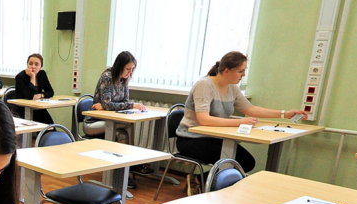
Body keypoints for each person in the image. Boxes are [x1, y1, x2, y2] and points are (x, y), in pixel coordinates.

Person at [176, 51, 308, 173]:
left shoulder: (232, 88)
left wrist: (285, 114)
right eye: (240, 71)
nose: (243, 75)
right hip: (191, 139)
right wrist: (239, 122)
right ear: (226, 71)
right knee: (240, 162)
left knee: (247, 162)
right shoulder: (204, 85)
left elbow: (250, 109)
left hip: (214, 138)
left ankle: (201, 181)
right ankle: (208, 184)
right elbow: (204, 120)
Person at [86, 51, 146, 138]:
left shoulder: (124, 79)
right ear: (120, 67)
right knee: (127, 125)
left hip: (110, 120)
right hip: (93, 122)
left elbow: (124, 102)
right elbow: (108, 104)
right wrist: (132, 105)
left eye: (132, 69)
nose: (130, 72)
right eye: (128, 69)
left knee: (122, 134)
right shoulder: (107, 77)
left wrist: (106, 107)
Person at [14, 53, 55, 125]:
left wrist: (41, 95)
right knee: (40, 125)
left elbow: (51, 92)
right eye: (30, 64)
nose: (33, 66)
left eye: (36, 64)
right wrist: (32, 77)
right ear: (27, 65)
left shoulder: (42, 74)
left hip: (37, 107)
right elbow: (30, 96)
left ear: (41, 67)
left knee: (50, 126)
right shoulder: (20, 77)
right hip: (23, 108)